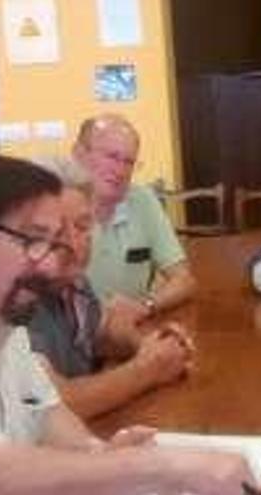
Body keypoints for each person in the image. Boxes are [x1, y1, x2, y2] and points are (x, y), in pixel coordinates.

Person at [0, 154, 254, 494]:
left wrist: (98, 453)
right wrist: (154, 465)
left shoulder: (0, 311)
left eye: (53, 243)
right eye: (32, 240)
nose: (49, 265)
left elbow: (47, 413)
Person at [26, 156, 194, 419]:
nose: (74, 243)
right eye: (56, 232)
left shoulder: (74, 279)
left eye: (82, 226)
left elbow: (100, 334)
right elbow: (56, 403)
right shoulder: (17, 294)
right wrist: (148, 368)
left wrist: (148, 345)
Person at [72, 113, 196, 323]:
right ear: (79, 154)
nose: (120, 170)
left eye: (129, 162)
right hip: (73, 344)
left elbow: (184, 280)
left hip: (130, 332)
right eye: (111, 156)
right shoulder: (54, 209)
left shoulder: (143, 200)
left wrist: (145, 306)